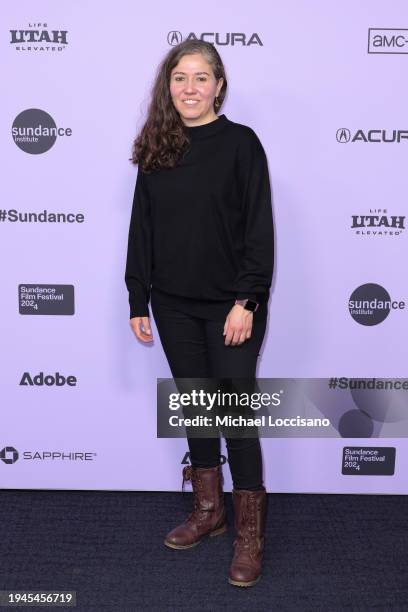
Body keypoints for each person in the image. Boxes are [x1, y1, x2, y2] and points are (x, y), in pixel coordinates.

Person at [125, 39, 274, 587]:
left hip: (229, 305)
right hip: (171, 303)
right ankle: (209, 512)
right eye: (180, 78)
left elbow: (259, 229)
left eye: (201, 78)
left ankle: (250, 534)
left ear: (219, 85)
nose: (190, 88)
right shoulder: (156, 145)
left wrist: (247, 300)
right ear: (169, 86)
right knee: (197, 410)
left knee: (234, 416)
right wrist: (137, 297)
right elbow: (143, 228)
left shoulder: (241, 144)